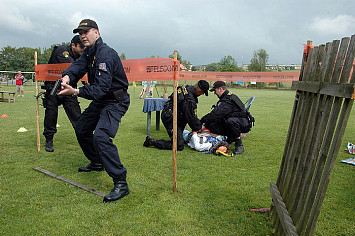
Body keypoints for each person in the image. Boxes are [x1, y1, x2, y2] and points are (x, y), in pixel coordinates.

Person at [58, 19, 130, 203]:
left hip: (115, 100)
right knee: (82, 128)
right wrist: (67, 76)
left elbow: (100, 89)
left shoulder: (105, 54)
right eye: (80, 32)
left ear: (96, 33)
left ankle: (121, 182)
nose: (82, 35)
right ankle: (97, 162)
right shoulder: (90, 52)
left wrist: (75, 91)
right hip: (102, 100)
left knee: (101, 137)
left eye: (86, 31)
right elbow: (77, 66)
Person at [43, 35, 85, 152]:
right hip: (53, 89)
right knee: (51, 115)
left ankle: (85, 139)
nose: (83, 49)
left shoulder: (81, 56)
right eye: (81, 47)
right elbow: (72, 67)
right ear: (73, 45)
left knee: (77, 116)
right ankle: (49, 140)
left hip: (69, 89)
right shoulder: (62, 51)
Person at [143, 80, 209, 151]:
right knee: (179, 146)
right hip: (171, 119)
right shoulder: (189, 100)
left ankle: (177, 137)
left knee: (180, 137)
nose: (200, 94)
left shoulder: (185, 87)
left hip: (171, 114)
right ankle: (152, 142)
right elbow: (191, 117)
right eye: (202, 93)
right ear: (199, 90)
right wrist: (198, 127)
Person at [200, 81, 251, 155]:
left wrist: (201, 121)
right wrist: (206, 124)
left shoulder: (227, 100)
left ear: (220, 89)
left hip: (242, 123)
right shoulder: (226, 97)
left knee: (231, 121)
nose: (214, 93)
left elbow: (216, 114)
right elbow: (217, 114)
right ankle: (231, 137)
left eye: (215, 90)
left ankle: (239, 144)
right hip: (236, 121)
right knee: (212, 125)